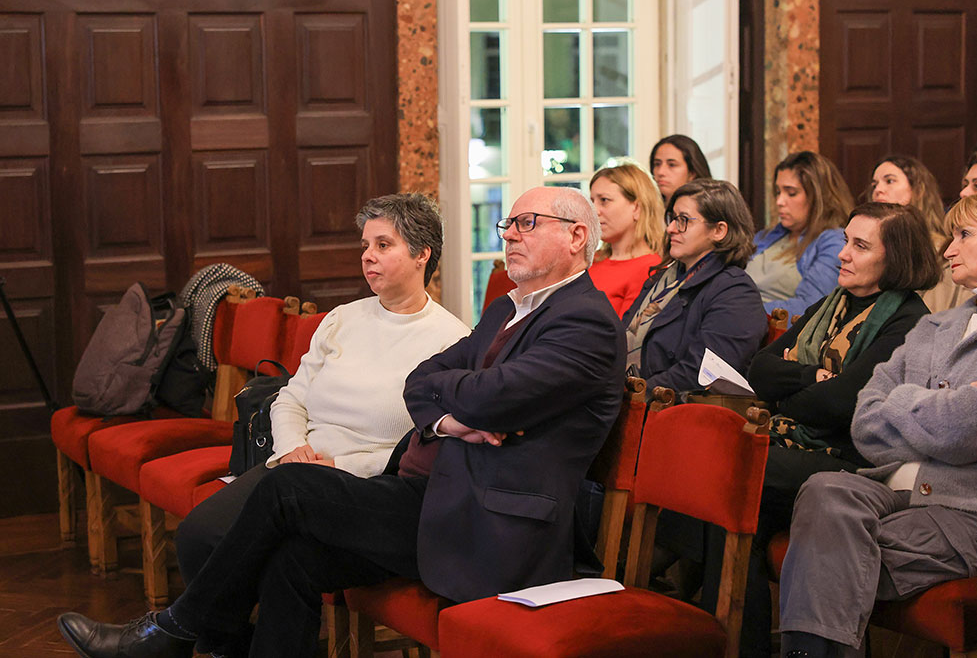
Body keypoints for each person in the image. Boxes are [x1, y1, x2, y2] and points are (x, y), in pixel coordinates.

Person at [57, 186, 627, 658]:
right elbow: (421, 381)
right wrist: (452, 421)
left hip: (491, 523)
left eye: (527, 222)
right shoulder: (507, 308)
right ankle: (179, 635)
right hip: (434, 495)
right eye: (508, 223)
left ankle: (173, 634)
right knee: (290, 559)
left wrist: (454, 403)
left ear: (577, 236)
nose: (509, 234)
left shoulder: (587, 322)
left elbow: (488, 396)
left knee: (288, 489)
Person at [173, 193, 470, 585]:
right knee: (198, 535)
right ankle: (223, 643)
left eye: (383, 245)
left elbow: (423, 449)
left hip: (359, 487)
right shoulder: (342, 319)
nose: (367, 256)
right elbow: (291, 398)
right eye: (365, 245)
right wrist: (292, 449)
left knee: (271, 555)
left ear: (421, 255)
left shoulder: (453, 342)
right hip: (292, 467)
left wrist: (338, 466)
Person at [777, 191, 977, 658]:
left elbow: (973, 426)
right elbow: (866, 420)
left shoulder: (918, 321)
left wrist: (906, 404)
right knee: (824, 489)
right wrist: (944, 406)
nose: (948, 250)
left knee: (825, 555)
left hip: (974, 508)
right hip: (896, 486)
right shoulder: (937, 327)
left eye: (964, 235)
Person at [731, 202, 940, 658]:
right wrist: (810, 379)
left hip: (850, 463)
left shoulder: (909, 322)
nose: (843, 254)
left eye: (860, 245)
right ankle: (737, 642)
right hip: (796, 442)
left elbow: (845, 405)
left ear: (895, 259)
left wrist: (793, 392)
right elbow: (758, 368)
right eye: (846, 240)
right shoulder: (833, 304)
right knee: (727, 501)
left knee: (731, 467)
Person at [621, 178, 767, 398]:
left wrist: (630, 395)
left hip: (671, 412)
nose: (670, 229)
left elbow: (701, 373)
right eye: (672, 219)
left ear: (719, 230)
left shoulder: (735, 291)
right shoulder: (665, 278)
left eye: (683, 220)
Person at [746, 151, 854, 318]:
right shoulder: (768, 235)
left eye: (791, 193)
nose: (779, 201)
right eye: (778, 192)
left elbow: (811, 305)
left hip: (771, 331)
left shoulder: (834, 241)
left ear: (818, 196)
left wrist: (739, 312)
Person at [867, 154, 970, 312]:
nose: (878, 190)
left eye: (889, 181)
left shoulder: (944, 250)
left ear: (917, 190)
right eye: (874, 184)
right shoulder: (869, 246)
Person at [588, 162, 665, 316]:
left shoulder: (650, 269)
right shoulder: (591, 260)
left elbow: (627, 336)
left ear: (636, 208)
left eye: (604, 200)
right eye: (592, 201)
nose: (594, 211)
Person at [648, 134, 712, 202]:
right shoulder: (643, 208)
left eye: (672, 165)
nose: (660, 172)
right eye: (657, 164)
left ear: (692, 173)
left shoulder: (710, 210)